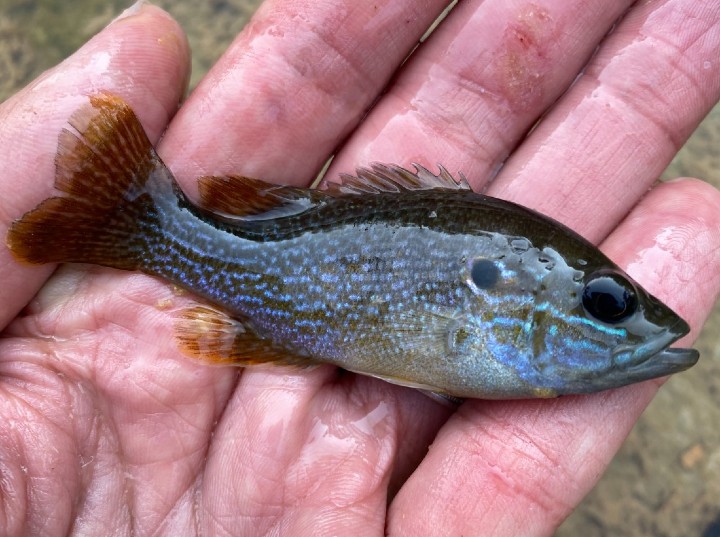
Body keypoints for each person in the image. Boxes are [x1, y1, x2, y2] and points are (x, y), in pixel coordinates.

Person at [1, 1, 719, 535]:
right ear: (526, 297)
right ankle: (146, 221)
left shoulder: (510, 319)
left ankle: (148, 224)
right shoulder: (504, 302)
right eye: (606, 301)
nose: (631, 320)